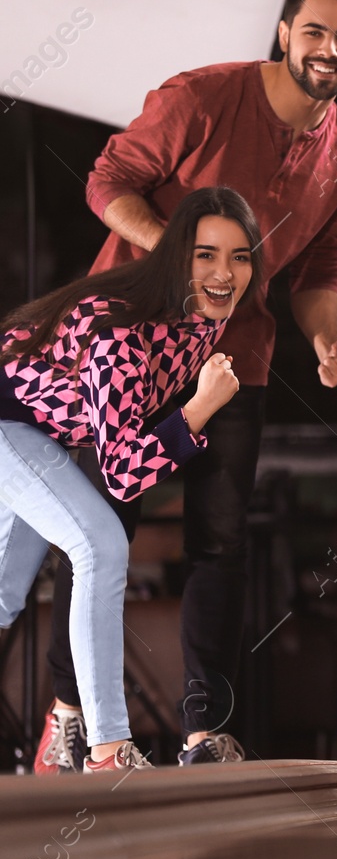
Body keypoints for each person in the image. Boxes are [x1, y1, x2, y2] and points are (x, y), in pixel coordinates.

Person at [33, 0, 337, 774]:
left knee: (220, 543)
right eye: (315, 31)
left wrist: (328, 340)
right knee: (100, 533)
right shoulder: (201, 97)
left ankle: (201, 734)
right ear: (286, 32)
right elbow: (108, 182)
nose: (328, 50)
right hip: (133, 347)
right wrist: (184, 266)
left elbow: (320, 272)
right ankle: (68, 715)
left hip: (236, 360)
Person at [1, 188, 256, 772]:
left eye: (240, 257)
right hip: (8, 425)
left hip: (37, 433)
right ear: (174, 256)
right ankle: (109, 749)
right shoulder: (123, 332)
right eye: (206, 255)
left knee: (4, 594)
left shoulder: (198, 319)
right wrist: (199, 409)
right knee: (100, 544)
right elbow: (121, 474)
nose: (224, 273)